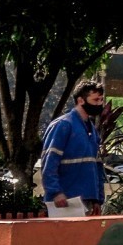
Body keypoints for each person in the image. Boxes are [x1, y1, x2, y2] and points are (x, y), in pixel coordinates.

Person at [41, 80, 107, 216]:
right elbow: (49, 162)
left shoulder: (92, 131)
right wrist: (56, 192)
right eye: (95, 100)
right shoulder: (63, 125)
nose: (100, 104)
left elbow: (97, 166)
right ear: (81, 100)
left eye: (101, 99)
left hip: (86, 199)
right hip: (65, 200)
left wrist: (97, 199)